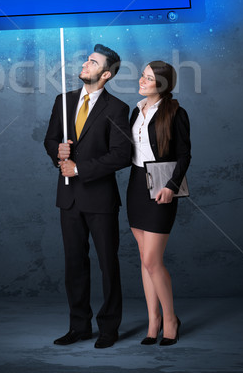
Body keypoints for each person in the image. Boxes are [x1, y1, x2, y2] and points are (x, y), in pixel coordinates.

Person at [44, 44, 131, 349]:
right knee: (74, 264)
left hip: (100, 199)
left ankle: (109, 328)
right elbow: (51, 139)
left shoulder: (117, 109)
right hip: (68, 199)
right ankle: (79, 326)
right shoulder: (63, 101)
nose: (85, 63)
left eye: (92, 62)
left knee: (108, 264)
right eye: (86, 60)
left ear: (105, 74)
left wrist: (79, 168)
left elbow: (121, 154)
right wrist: (58, 152)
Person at [126, 61, 191, 346]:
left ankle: (171, 318)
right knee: (144, 259)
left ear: (161, 84)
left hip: (162, 184)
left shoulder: (176, 112)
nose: (142, 80)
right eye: (142, 74)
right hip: (136, 184)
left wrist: (171, 187)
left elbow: (185, 154)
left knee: (153, 260)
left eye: (149, 77)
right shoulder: (135, 110)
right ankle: (153, 321)